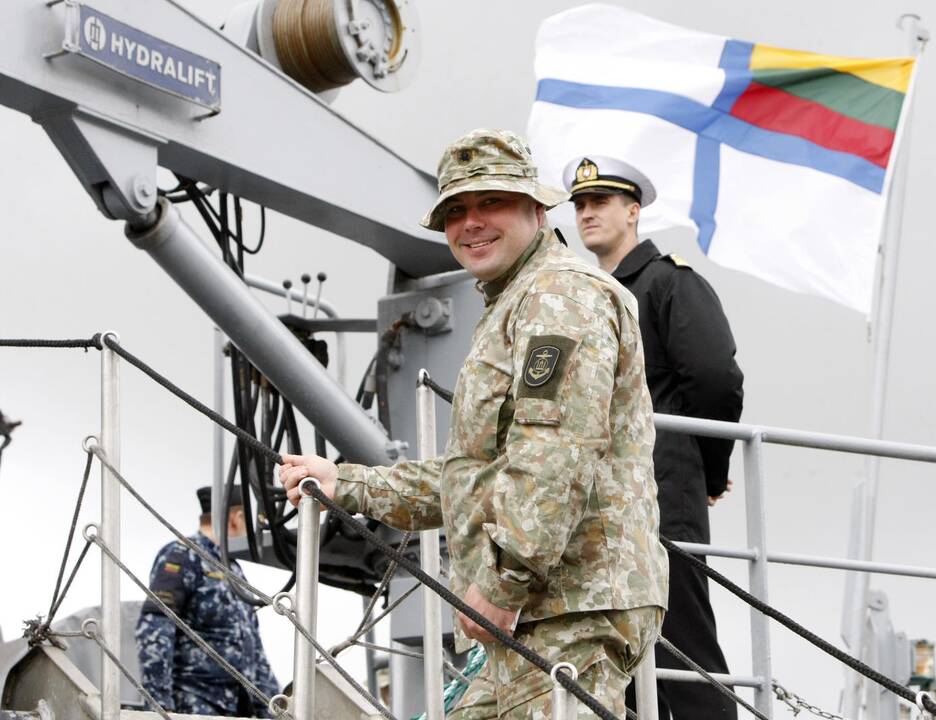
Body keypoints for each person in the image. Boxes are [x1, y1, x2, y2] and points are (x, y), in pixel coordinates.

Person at [280, 129, 668, 719]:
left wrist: (503, 585)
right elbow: (476, 477)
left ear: (535, 209)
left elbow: (554, 454)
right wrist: (347, 484)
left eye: (492, 202)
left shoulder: (560, 296)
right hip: (534, 609)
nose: (472, 223)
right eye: (456, 211)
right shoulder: (515, 301)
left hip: (567, 607)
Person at [564, 156, 744, 720]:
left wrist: (708, 471)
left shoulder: (669, 282)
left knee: (682, 643)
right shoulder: (588, 296)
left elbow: (716, 380)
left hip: (664, 490)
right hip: (599, 503)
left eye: (601, 203)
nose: (587, 212)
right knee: (622, 651)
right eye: (580, 205)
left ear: (634, 211)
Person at [136, 486, 279, 717]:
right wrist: (159, 707)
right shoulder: (181, 556)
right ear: (236, 518)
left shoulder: (234, 570)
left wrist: (274, 711)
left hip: (236, 708)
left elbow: (252, 646)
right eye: (246, 521)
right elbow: (155, 627)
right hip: (195, 704)